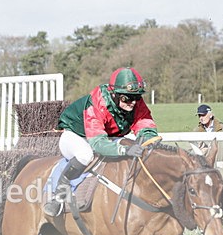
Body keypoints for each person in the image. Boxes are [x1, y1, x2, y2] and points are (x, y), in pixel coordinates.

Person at [44, 67, 159, 216]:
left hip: (107, 136)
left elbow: (145, 124)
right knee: (86, 155)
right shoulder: (97, 104)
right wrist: (123, 150)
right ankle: (58, 195)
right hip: (76, 135)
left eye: (136, 98)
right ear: (114, 94)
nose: (132, 102)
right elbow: (97, 144)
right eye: (126, 98)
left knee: (131, 146)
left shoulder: (135, 102)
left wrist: (147, 141)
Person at [194, 104, 223, 210]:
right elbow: (190, 151)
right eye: (199, 115)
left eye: (203, 115)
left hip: (221, 172)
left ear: (210, 114)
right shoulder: (195, 132)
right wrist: (201, 152)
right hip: (203, 173)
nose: (201, 118)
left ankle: (221, 222)